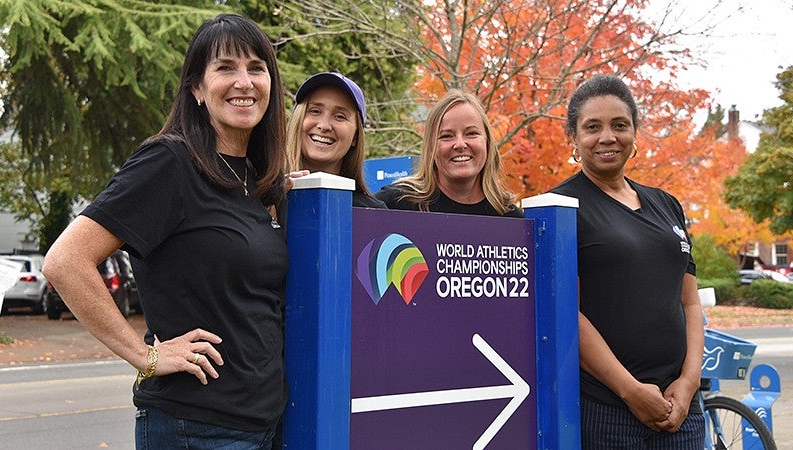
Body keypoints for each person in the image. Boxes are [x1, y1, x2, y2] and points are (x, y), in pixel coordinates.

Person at [43, 14, 288, 449]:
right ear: (196, 88)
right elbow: (65, 261)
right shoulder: (170, 164)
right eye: (225, 67)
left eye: (256, 67)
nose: (244, 82)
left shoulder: (255, 181)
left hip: (263, 425)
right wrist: (147, 356)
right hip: (196, 429)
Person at [550, 75, 704, 449]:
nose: (608, 137)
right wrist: (630, 390)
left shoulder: (666, 203)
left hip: (681, 409)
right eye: (592, 127)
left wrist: (689, 382)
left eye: (620, 125)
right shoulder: (559, 209)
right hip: (608, 411)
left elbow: (689, 301)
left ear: (635, 132)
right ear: (573, 137)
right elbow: (567, 313)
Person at [375, 89, 522, 217]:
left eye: (471, 133)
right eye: (446, 136)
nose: (460, 144)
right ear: (431, 147)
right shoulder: (395, 205)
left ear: (488, 142)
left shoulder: (511, 219)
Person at [286, 72, 386, 208]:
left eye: (340, 116)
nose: (324, 125)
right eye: (315, 111)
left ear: (355, 137)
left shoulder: (372, 214)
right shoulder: (259, 196)